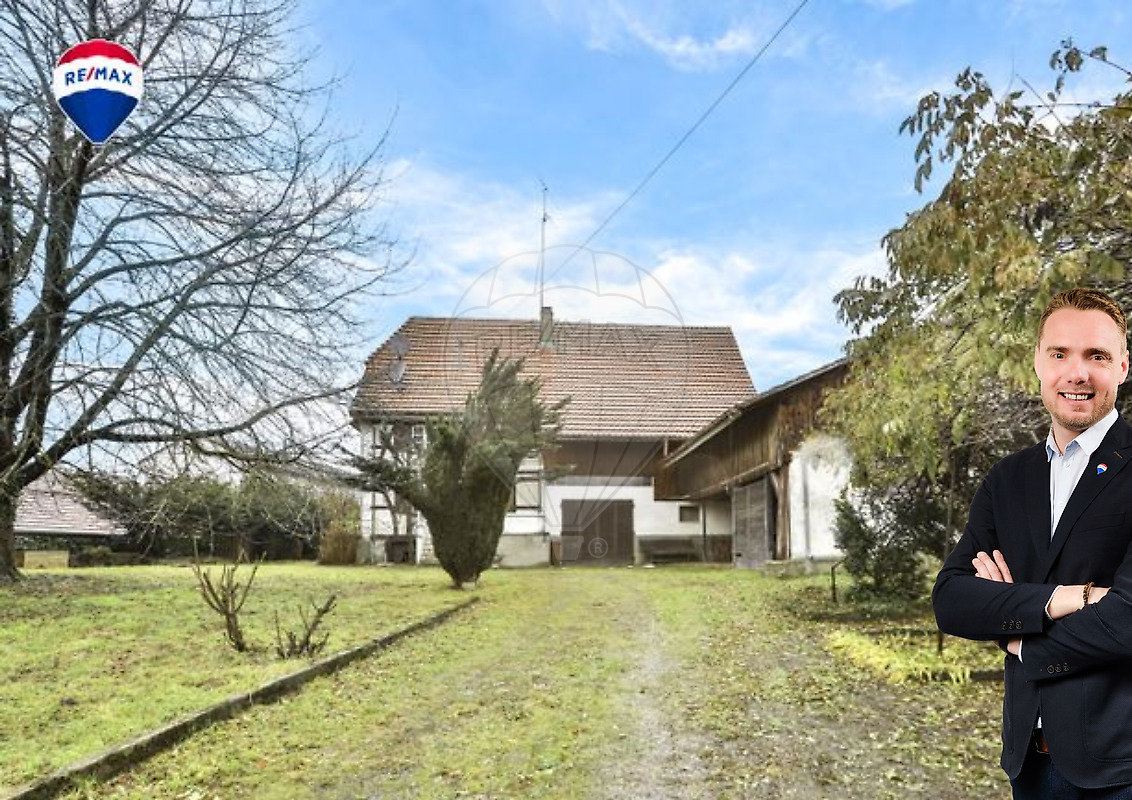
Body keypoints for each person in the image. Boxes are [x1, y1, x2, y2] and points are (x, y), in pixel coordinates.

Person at [933, 287, 1132, 799]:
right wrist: (1071, 597)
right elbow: (952, 599)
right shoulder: (1008, 479)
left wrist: (1013, 635)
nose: (1077, 372)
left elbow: (1129, 619)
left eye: (1097, 356)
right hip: (1027, 762)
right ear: (1038, 364)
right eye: (1060, 353)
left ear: (1123, 367)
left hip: (1119, 768)